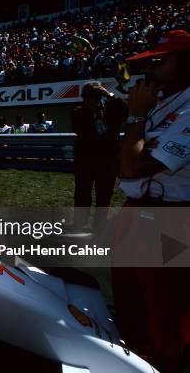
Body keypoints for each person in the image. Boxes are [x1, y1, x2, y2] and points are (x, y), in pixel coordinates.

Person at [114, 29, 190, 372]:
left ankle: (167, 361)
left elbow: (131, 165)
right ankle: (135, 353)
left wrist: (135, 116)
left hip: (171, 214)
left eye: (161, 62)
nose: (152, 69)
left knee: (166, 304)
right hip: (140, 208)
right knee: (131, 293)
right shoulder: (162, 103)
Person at [72, 81, 127, 229]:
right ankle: (79, 223)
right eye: (88, 98)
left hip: (107, 162)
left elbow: (124, 110)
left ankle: (100, 226)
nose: (92, 101)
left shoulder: (112, 110)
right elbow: (80, 130)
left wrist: (108, 94)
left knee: (104, 196)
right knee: (82, 194)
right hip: (86, 161)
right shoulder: (79, 112)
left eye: (95, 97)